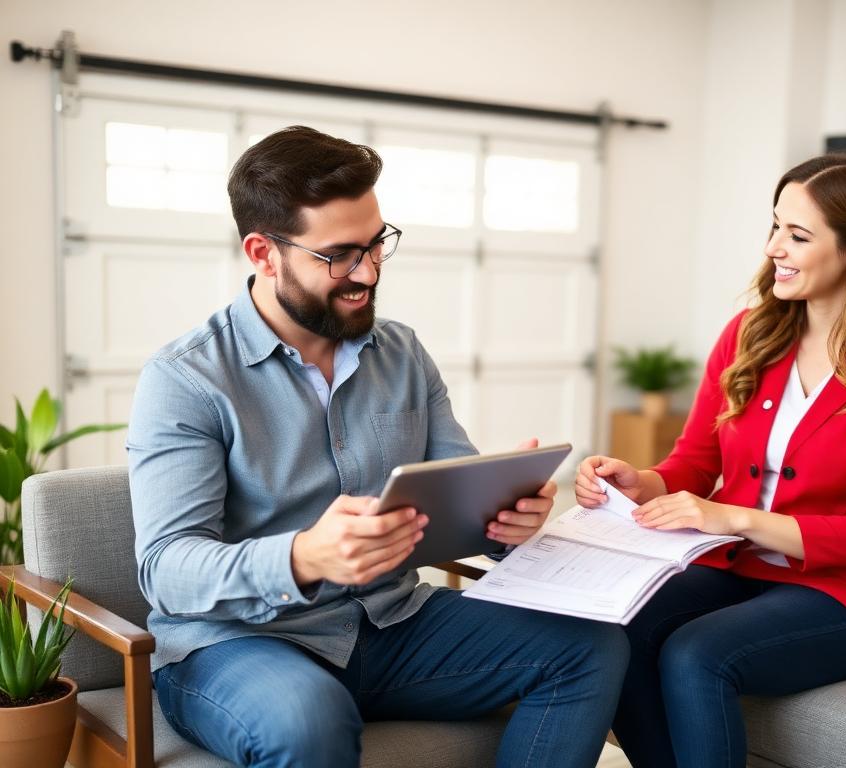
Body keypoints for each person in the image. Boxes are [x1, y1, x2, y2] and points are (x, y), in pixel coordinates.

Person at [127, 125, 628, 768]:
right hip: (238, 643)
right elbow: (166, 567)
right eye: (339, 254)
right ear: (263, 252)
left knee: (591, 646)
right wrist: (304, 556)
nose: (368, 272)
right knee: (308, 718)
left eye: (376, 244)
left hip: (391, 623)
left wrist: (507, 521)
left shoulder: (402, 352)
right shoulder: (186, 379)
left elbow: (453, 486)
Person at [575, 136, 846, 768]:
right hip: (733, 568)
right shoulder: (750, 335)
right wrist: (640, 480)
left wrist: (731, 517)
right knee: (616, 630)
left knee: (696, 653)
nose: (773, 246)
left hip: (843, 597)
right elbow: (694, 461)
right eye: (775, 225)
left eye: (798, 234)